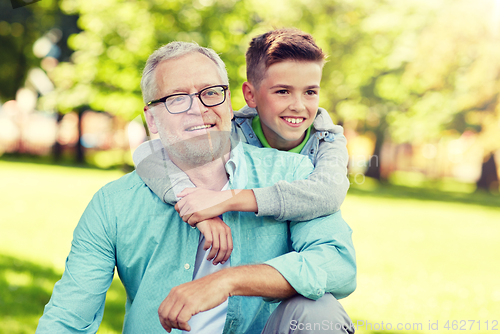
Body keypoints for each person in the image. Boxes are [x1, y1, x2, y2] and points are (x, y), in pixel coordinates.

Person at [36, 41, 356, 334]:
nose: (199, 108)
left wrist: (228, 281)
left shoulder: (293, 172)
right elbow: (68, 318)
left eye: (211, 92)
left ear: (229, 101)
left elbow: (337, 264)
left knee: (317, 311)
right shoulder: (114, 203)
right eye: (177, 98)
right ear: (152, 119)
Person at [135, 29, 350, 260]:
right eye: (283, 91)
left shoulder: (327, 140)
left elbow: (329, 193)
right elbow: (148, 153)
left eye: (310, 92)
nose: (298, 105)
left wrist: (227, 199)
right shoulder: (233, 129)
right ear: (250, 95)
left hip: (299, 250)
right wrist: (195, 207)